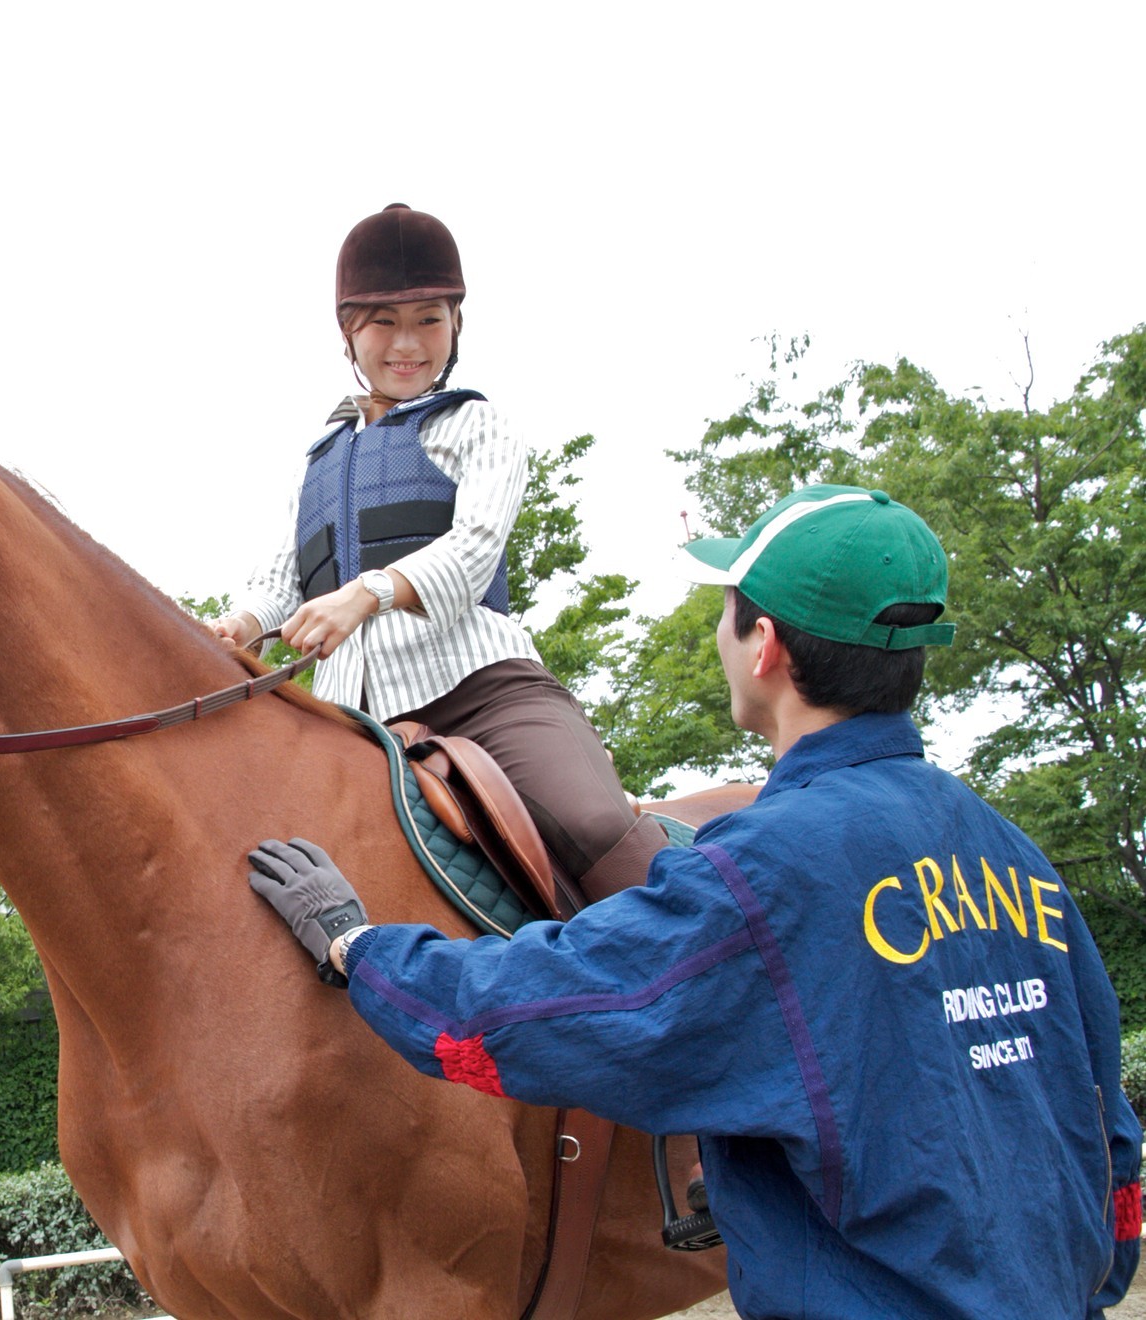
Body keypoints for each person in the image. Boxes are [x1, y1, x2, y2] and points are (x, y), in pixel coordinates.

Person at [248, 484, 1141, 1319]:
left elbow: (540, 1015)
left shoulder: (766, 869)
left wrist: (358, 949)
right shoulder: (1014, 857)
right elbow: (1112, 1136)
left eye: (727, 610)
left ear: (766, 647)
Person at [211, 202, 666, 895]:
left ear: (457, 324)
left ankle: (711, 972)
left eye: (429, 319)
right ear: (347, 330)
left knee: (593, 824)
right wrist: (239, 626)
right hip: (348, 720)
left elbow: (475, 549)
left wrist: (367, 594)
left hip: (482, 696)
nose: (408, 343)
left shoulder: (478, 426)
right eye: (384, 322)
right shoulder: (316, 461)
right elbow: (281, 582)